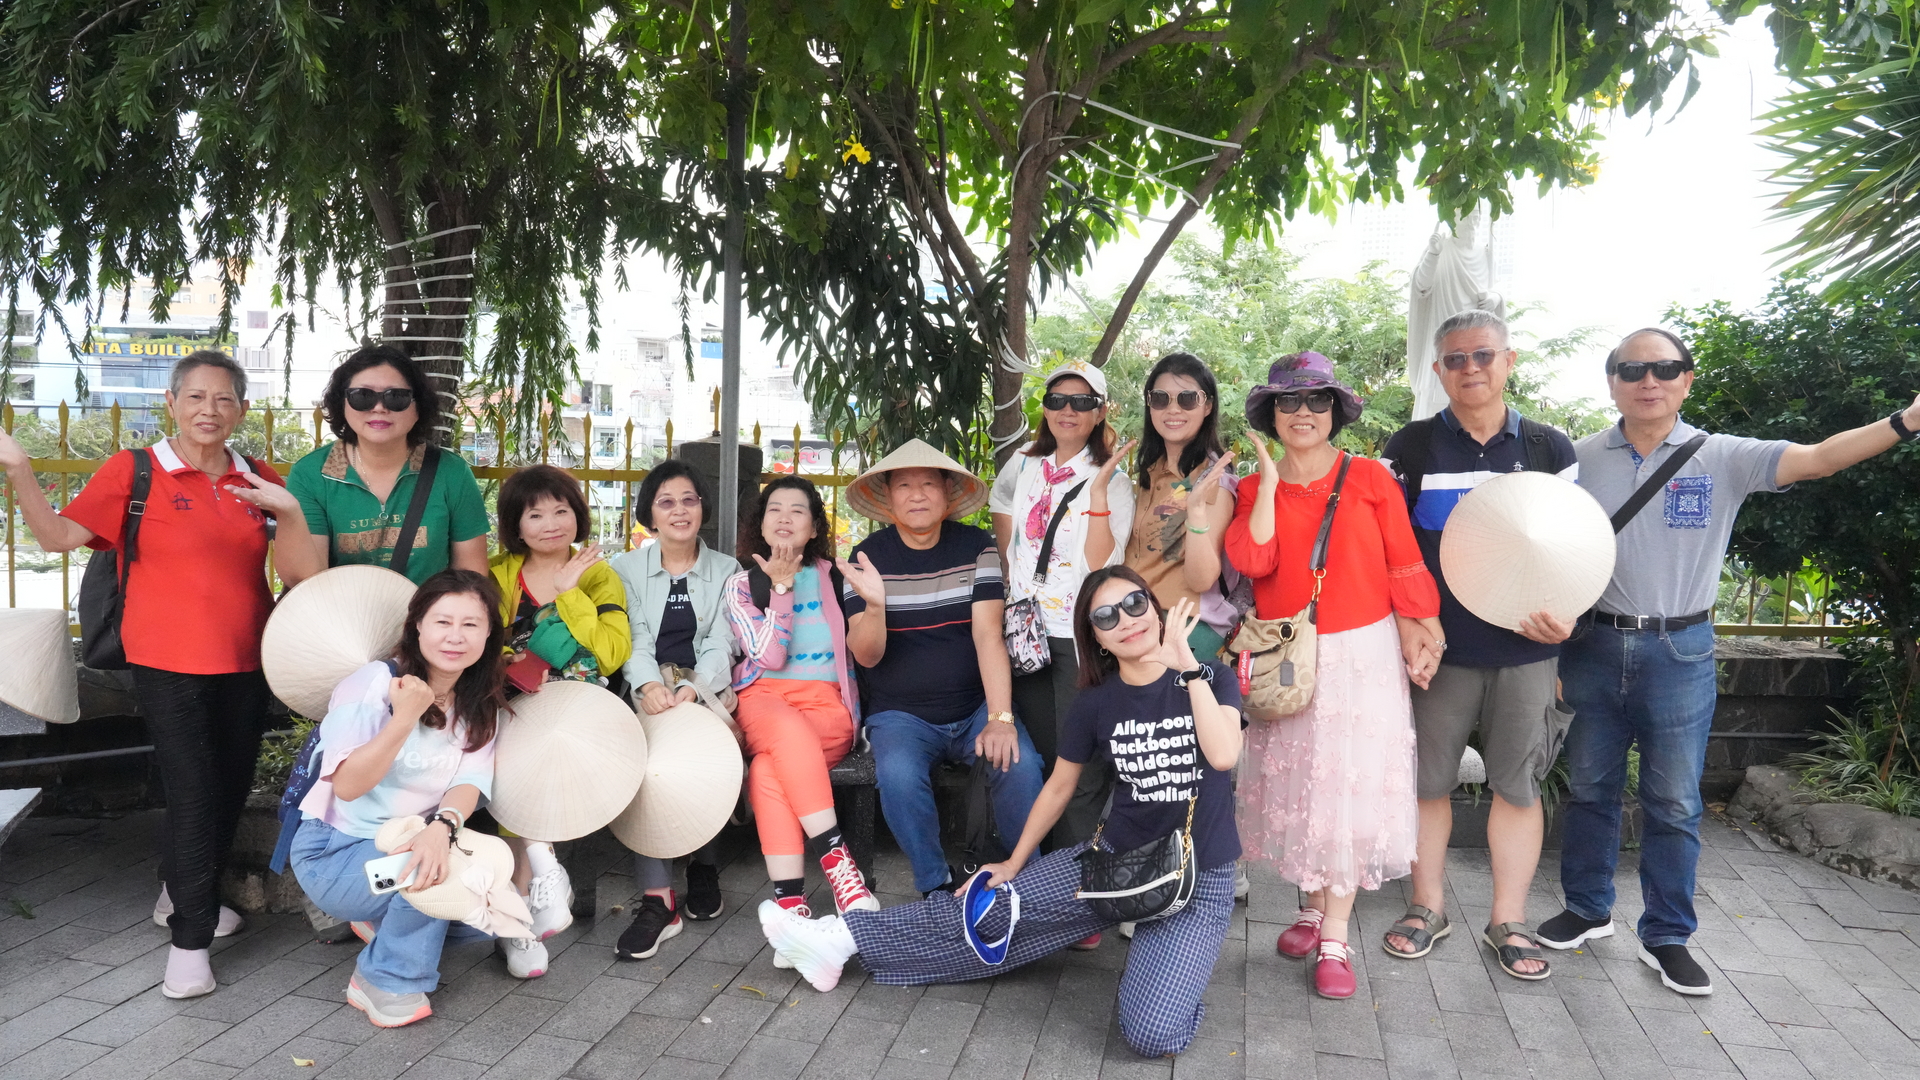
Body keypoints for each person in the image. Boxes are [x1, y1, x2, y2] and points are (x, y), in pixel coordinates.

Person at [1529, 327, 1920, 996]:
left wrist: (1906, 422)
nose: (1649, 381)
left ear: (1686, 379)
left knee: (1674, 800)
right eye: (1633, 369)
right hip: (1593, 644)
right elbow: (1545, 544)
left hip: (1680, 650)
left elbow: (1819, 459)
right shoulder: (1578, 458)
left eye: (1665, 368)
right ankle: (1588, 908)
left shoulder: (1724, 456)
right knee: (1591, 787)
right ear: (1613, 381)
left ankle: (1667, 935)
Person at [758, 570, 1243, 1060]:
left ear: (1155, 609)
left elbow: (1223, 755)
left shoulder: (1210, 677)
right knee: (990, 911)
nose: (1127, 620)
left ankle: (1163, 959)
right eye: (1106, 615)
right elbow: (1059, 787)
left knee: (1152, 1034)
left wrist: (1188, 671)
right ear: (1095, 637)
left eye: (1136, 603)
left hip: (1199, 877)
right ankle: (840, 939)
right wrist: (1014, 862)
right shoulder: (1096, 702)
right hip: (1116, 861)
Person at [0, 351, 286, 998]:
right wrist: (19, 469)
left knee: (229, 787)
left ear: (242, 409)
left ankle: (177, 893)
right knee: (193, 792)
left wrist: (291, 510)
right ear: (172, 403)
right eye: (196, 397)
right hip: (166, 663)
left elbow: (296, 554)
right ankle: (190, 942)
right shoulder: (136, 470)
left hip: (247, 660)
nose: (209, 410)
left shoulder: (254, 477)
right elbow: (57, 538)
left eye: (224, 398)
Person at [1225, 351, 1444, 1000]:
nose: (1303, 412)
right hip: (1289, 654)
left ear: (1335, 412)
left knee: (1346, 788)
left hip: (1362, 653)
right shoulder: (1251, 489)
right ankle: (1311, 908)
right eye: (1289, 401)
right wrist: (1268, 484)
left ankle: (1336, 937)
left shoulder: (1370, 477)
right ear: (1271, 414)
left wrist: (1424, 627)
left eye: (1317, 400)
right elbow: (1254, 560)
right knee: (1303, 784)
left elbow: (1404, 561)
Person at [1377, 310, 1579, 981]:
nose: (1471, 368)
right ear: (1439, 370)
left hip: (1526, 652)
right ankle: (1426, 907)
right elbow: (1388, 548)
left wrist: (1567, 622)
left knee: (1518, 788)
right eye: (1456, 359)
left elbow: (1572, 546)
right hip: (1439, 652)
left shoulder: (1549, 448)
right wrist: (1407, 627)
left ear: (1508, 361)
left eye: (1483, 355)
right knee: (1427, 784)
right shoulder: (1410, 447)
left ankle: (1508, 920)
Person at [288, 570, 508, 1028]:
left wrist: (442, 827)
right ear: (417, 626)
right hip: (334, 852)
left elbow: (469, 781)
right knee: (430, 875)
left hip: (408, 841)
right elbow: (348, 785)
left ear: (489, 633)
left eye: (471, 624)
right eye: (442, 621)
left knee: (494, 901)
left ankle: (386, 919)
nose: (455, 636)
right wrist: (405, 717)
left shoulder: (477, 699)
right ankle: (386, 978)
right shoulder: (374, 683)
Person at [841, 440, 1043, 897]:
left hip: (974, 707)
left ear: (948, 494)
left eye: (929, 484)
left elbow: (988, 636)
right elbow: (867, 655)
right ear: (887, 497)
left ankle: (1025, 878)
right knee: (897, 775)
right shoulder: (866, 559)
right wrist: (876, 606)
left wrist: (1000, 718)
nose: (917, 495)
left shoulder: (977, 547)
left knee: (1022, 765)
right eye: (904, 486)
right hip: (901, 716)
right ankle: (935, 884)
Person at [988, 361, 1135, 947]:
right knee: (1045, 755)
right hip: (1028, 630)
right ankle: (1043, 878)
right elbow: (1004, 509)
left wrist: (1096, 495)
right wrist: (1017, 578)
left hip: (1077, 635)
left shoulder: (1111, 477)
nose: (1067, 411)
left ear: (1100, 411)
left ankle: (1079, 894)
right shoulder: (1025, 464)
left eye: (1082, 401)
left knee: (1082, 766)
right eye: (1057, 400)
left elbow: (1104, 563)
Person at [486, 464, 632, 977]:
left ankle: (519, 919)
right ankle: (533, 893)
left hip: (578, 707)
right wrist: (514, 663)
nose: (550, 523)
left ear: (578, 515)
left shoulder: (597, 574)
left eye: (561, 510)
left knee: (527, 757)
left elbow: (612, 653)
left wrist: (569, 592)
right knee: (510, 760)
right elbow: (481, 647)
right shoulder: (498, 574)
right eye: (535, 514)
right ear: (515, 524)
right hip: (513, 700)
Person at [724, 476, 879, 917]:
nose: (785, 518)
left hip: (827, 705)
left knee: (768, 770)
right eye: (775, 509)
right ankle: (841, 869)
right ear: (761, 523)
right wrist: (780, 590)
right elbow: (769, 656)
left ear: (813, 528)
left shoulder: (836, 578)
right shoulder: (741, 585)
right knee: (788, 733)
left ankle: (790, 906)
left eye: (798, 511)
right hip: (762, 699)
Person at [608, 459, 740, 959]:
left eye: (689, 500)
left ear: (703, 507)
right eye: (666, 502)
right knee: (649, 767)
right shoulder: (624, 569)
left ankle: (704, 866)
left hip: (705, 689)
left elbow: (723, 641)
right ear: (650, 513)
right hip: (646, 690)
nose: (679, 510)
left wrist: (695, 689)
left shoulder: (728, 570)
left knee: (706, 757)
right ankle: (658, 900)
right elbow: (634, 638)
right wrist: (647, 685)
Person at [229, 344, 489, 588]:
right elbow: (306, 580)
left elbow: (471, 577)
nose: (379, 408)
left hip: (429, 619)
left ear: (418, 407)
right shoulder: (312, 474)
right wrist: (290, 514)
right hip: (342, 619)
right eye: (363, 396)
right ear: (342, 403)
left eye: (396, 397)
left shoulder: (451, 473)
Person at [1123, 352, 1239, 659]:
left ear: (1207, 406)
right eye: (1160, 398)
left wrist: (1196, 512)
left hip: (1185, 628)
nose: (1173, 409)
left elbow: (1202, 580)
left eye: (1187, 399)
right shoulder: (1151, 472)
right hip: (1138, 617)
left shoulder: (1212, 480)